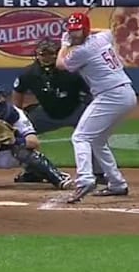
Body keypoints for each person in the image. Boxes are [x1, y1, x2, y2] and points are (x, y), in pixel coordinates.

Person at [56, 12, 137, 203]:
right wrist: (82, 31)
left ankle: (85, 179)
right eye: (72, 31)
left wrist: (64, 44)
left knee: (80, 136)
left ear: (85, 30)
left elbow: (60, 64)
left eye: (78, 31)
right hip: (125, 94)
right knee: (98, 140)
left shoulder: (82, 52)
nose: (74, 35)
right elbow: (106, 30)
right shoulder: (102, 38)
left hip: (112, 95)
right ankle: (117, 184)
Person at [12, 39, 106, 184]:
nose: (46, 58)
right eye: (43, 54)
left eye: (51, 54)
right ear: (37, 55)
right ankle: (34, 170)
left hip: (75, 110)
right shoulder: (29, 73)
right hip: (46, 113)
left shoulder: (71, 70)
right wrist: (18, 116)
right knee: (19, 133)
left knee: (94, 134)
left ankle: (99, 173)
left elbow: (91, 91)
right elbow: (18, 91)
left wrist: (92, 110)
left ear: (58, 55)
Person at [0, 82, 73, 190]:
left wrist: (12, 141)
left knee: (25, 150)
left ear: (4, 98)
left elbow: (34, 142)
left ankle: (56, 177)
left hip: (13, 155)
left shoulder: (15, 114)